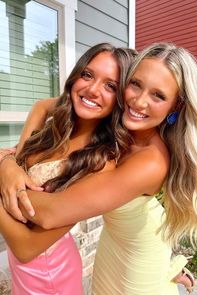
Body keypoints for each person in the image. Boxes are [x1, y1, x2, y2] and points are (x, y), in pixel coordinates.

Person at [0, 42, 197, 294]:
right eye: (135, 84)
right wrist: (9, 164)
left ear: (175, 107)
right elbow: (44, 106)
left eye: (158, 95)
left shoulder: (151, 161)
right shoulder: (119, 127)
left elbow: (48, 214)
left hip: (137, 266)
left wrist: (7, 173)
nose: (139, 102)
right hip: (113, 243)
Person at [0, 42, 136, 295]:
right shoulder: (55, 130)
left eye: (110, 86)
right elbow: (19, 155)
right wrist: (6, 164)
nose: (93, 89)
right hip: (21, 268)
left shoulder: (101, 163)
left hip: (47, 275)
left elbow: (26, 247)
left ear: (121, 99)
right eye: (87, 74)